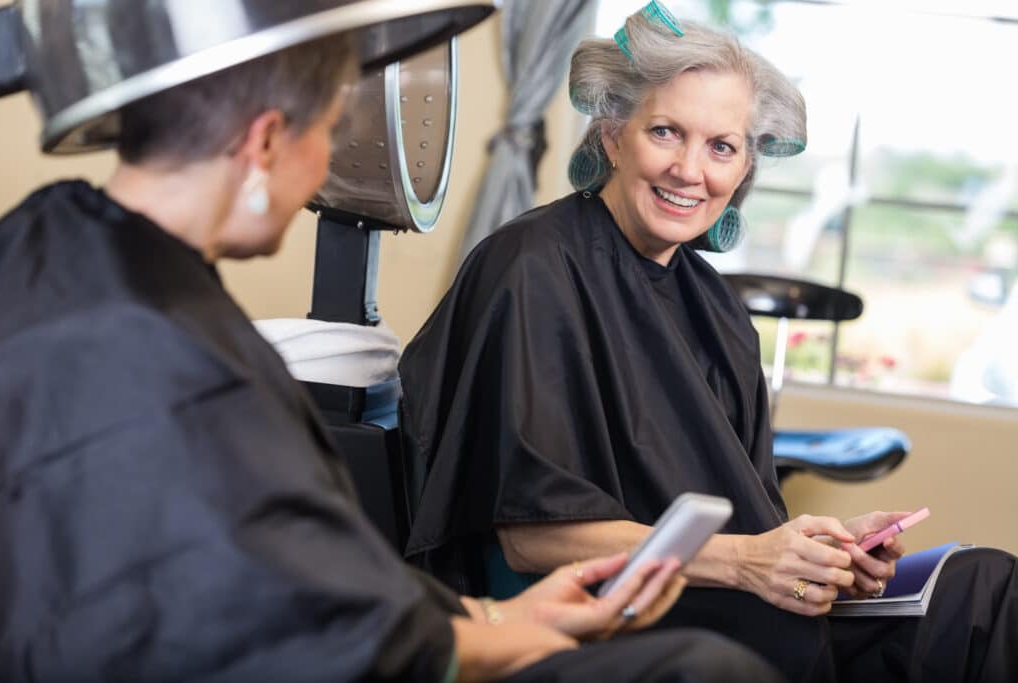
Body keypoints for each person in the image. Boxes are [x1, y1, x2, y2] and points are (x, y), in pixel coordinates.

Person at [0, 10, 788, 683]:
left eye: (723, 147)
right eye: (330, 135)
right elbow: (253, 613)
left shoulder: (64, 259)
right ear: (269, 141)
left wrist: (487, 611)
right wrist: (474, 637)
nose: (323, 173)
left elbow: (301, 565)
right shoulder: (146, 350)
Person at [399, 7, 1018, 682]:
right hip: (621, 623)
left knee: (989, 585)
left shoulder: (719, 311)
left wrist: (824, 551)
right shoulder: (531, 267)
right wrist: (750, 560)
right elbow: (528, 535)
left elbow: (749, 514)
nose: (690, 171)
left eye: (721, 146)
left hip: (742, 603)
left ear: (747, 163)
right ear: (612, 134)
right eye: (665, 131)